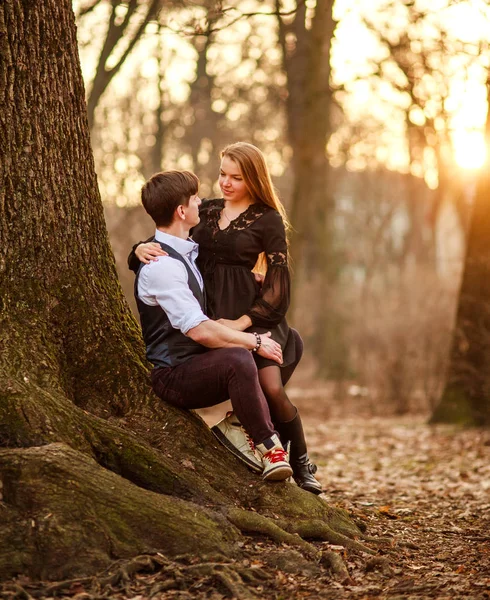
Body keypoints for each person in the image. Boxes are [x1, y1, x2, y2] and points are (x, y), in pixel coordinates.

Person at [130, 143, 322, 495]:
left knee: (273, 388)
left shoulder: (267, 218)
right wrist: (137, 250)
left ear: (253, 179)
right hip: (212, 312)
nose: (226, 183)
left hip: (253, 314)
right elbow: (171, 236)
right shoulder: (206, 210)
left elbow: (279, 287)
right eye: (222, 175)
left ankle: (300, 462)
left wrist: (244, 323)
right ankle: (255, 438)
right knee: (237, 368)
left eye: (237, 177)